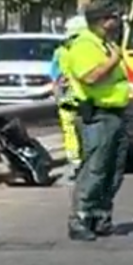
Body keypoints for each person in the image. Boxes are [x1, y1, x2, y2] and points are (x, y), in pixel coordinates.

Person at [56, 0, 132, 241]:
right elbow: (90, 77)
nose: (118, 23)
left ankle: (100, 216)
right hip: (97, 115)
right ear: (102, 21)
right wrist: (114, 59)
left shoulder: (104, 43)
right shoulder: (85, 45)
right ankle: (79, 218)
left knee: (113, 170)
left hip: (115, 114)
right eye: (115, 18)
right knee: (95, 169)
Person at [51, 13, 88, 180]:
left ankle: (75, 162)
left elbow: (54, 76)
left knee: (70, 129)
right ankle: (87, 160)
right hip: (87, 96)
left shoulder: (60, 52)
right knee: (88, 128)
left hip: (67, 97)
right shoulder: (91, 49)